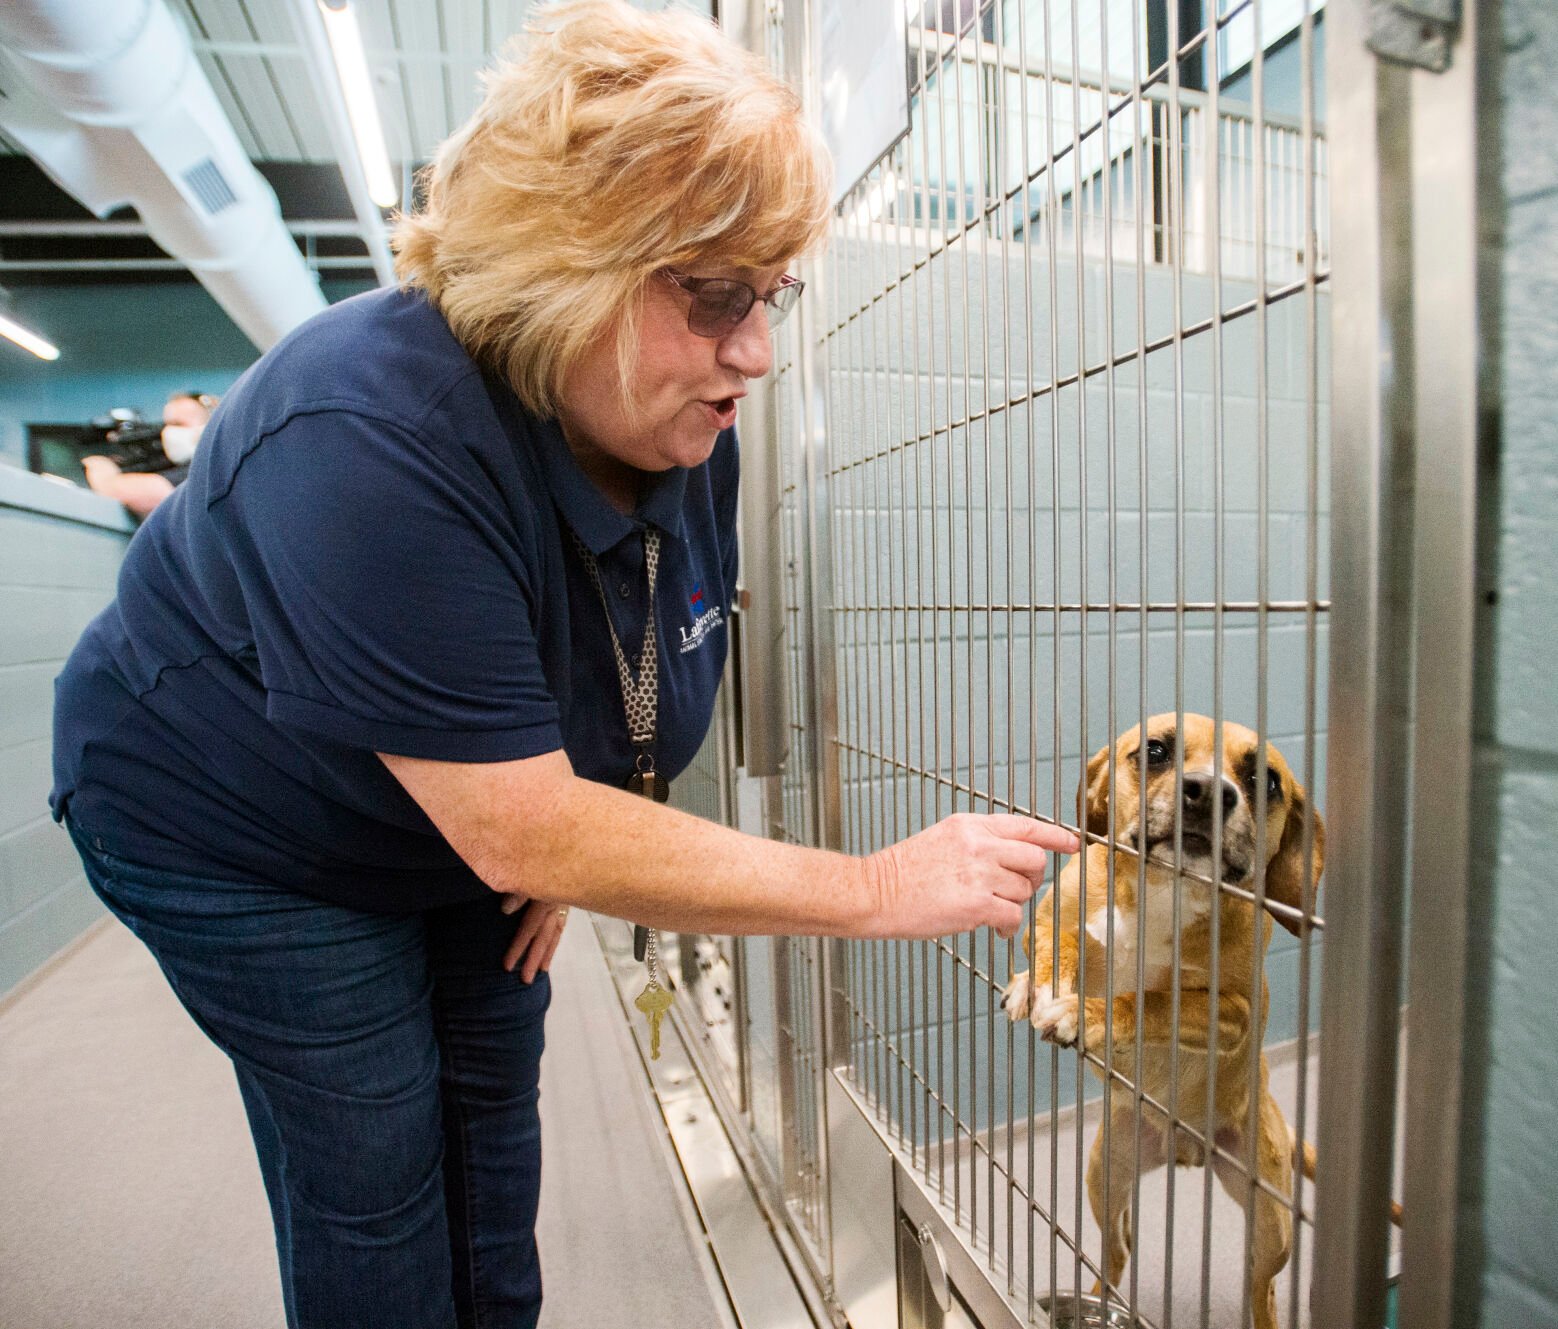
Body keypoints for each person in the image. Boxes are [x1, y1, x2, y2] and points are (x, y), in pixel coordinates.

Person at [48, 3, 1078, 1327]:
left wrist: (573, 834)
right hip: (232, 822)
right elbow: (523, 818)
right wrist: (868, 883)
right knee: (372, 1147)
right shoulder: (363, 428)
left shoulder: (678, 428)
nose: (756, 352)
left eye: (770, 295)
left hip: (459, 819)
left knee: (489, 1109)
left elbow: (611, 684)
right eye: (712, 297)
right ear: (563, 271)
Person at [80, 389, 217, 518]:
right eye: (166, 424)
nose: (168, 431)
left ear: (209, 427)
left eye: (178, 424)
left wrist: (102, 471)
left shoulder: (209, 467)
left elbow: (153, 495)